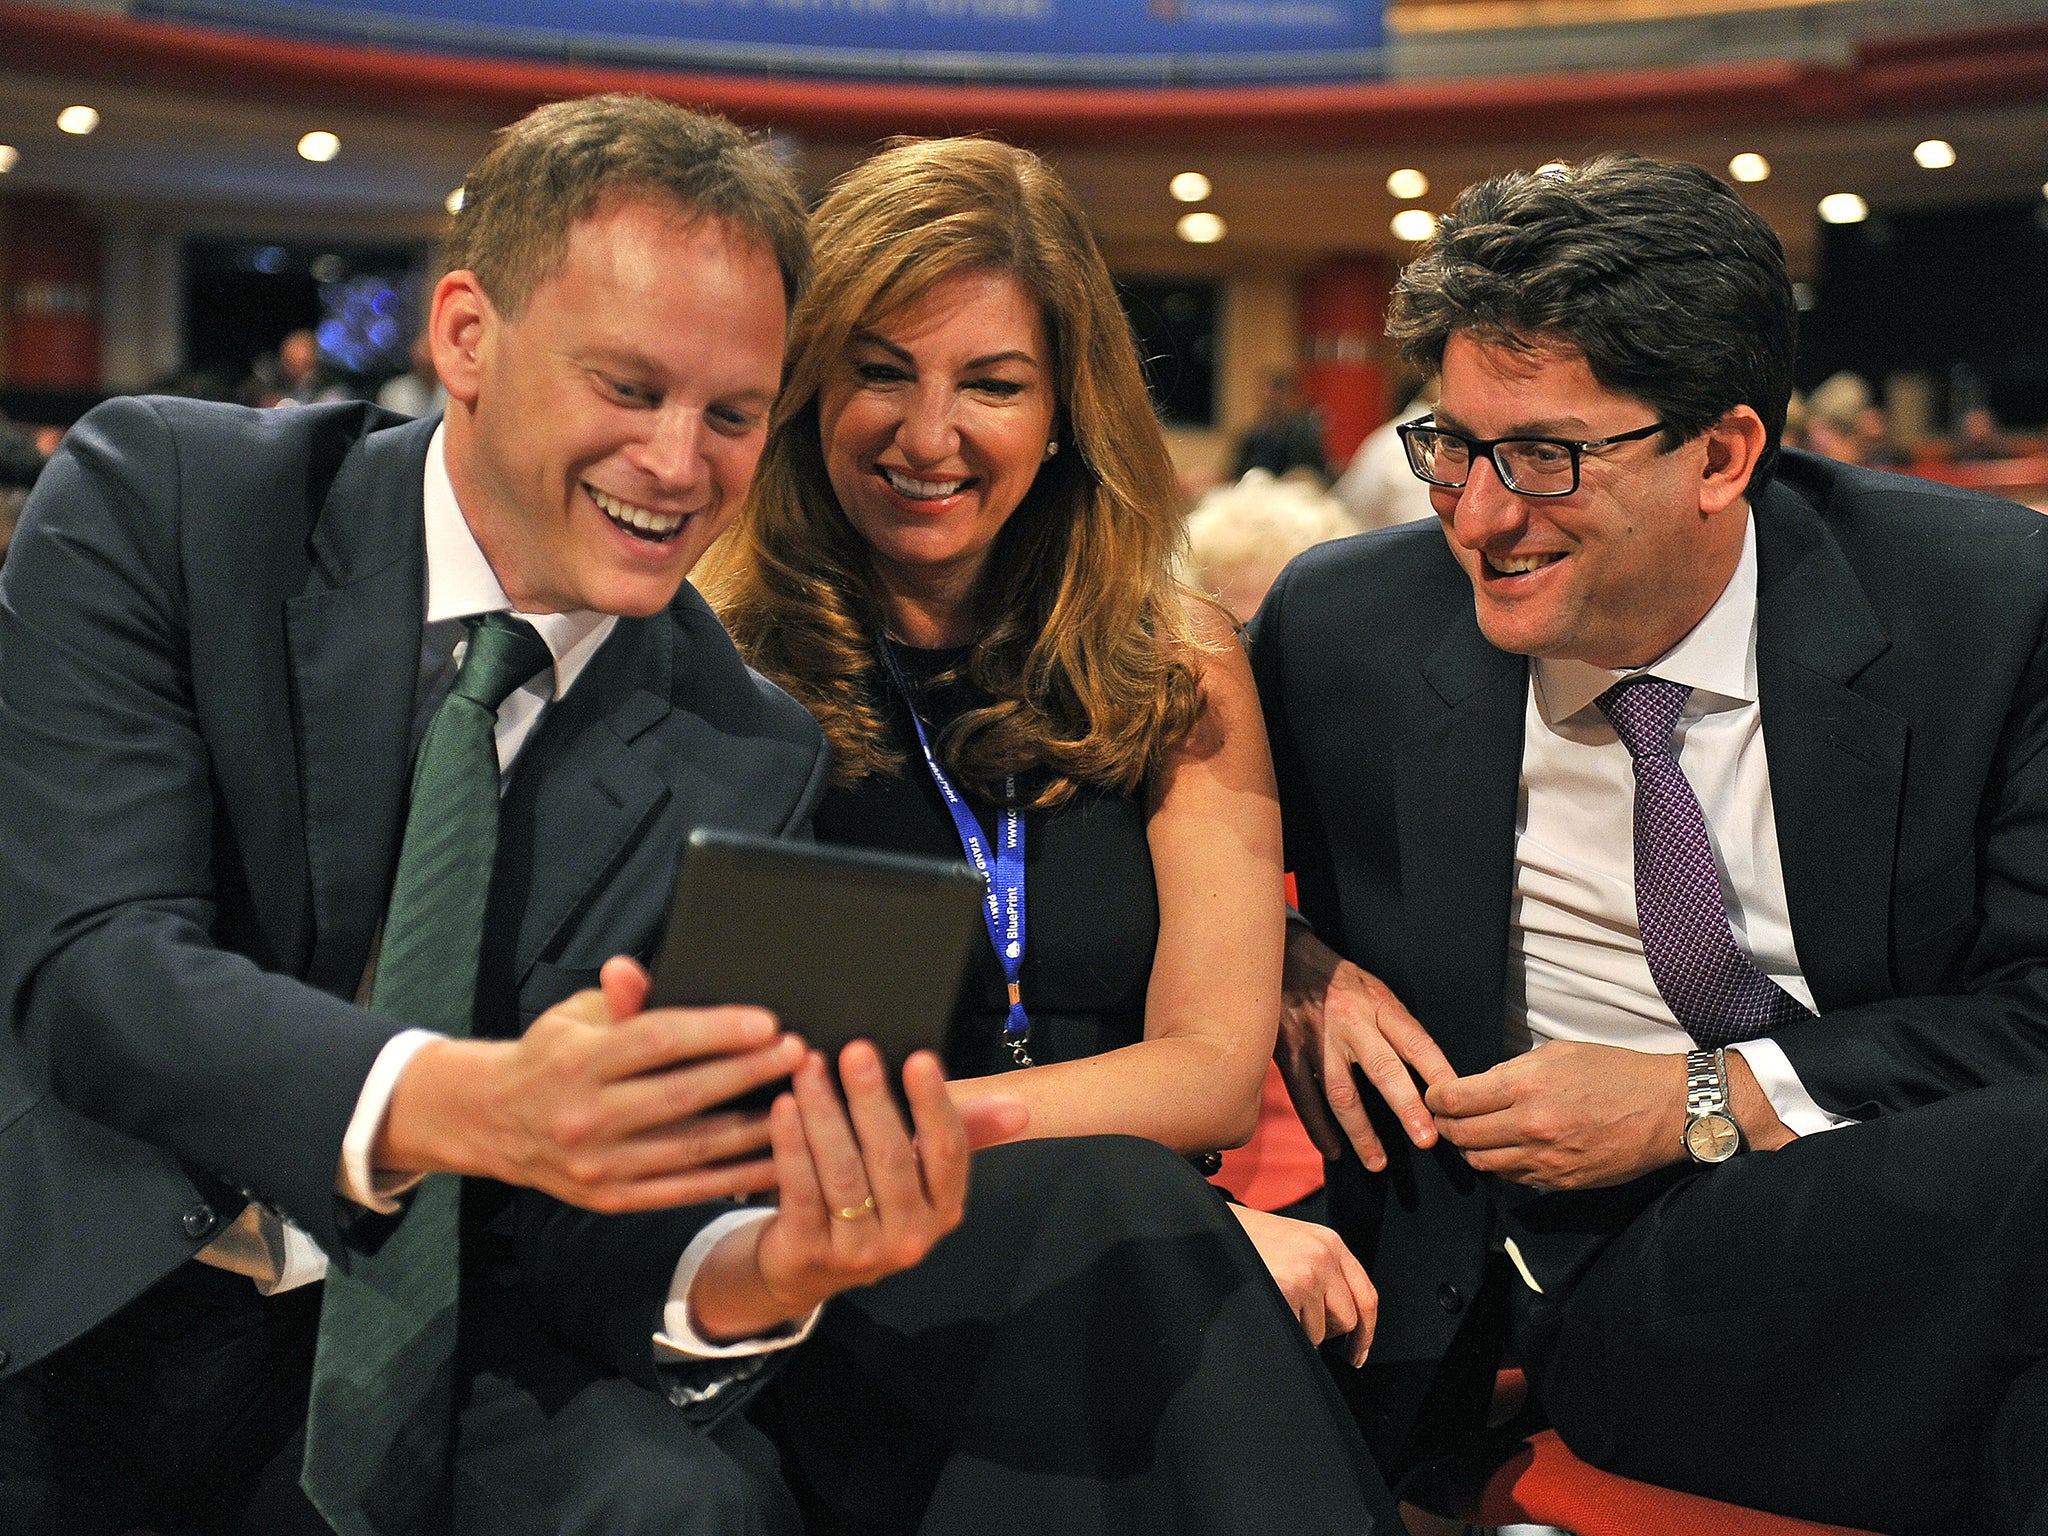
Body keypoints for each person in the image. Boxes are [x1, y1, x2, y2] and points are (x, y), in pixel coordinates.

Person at [0, 94, 1011, 1536]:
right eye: (629, 388)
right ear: (466, 336)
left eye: (733, 413)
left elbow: (596, 1228)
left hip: (429, 1333)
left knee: (688, 1503)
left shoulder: (750, 745)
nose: (679, 464)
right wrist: (477, 1102)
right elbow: (97, 976)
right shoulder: (167, 500)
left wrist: (766, 1268)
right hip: (71, 1295)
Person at [1251, 152, 2048, 1534]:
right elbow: (1098, 888)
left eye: (1547, 457)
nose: (1482, 515)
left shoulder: (1983, 611)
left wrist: (1703, 1095)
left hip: (1920, 1212)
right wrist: (1289, 959)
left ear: (1725, 455)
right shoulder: (1343, 634)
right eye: (1452, 444)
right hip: (1572, 1281)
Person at [700, 135, 1399, 1534]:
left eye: (994, 384)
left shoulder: (1176, 655)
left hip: (1127, 1250)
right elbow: (748, 1116)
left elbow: (1210, 1073)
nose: (929, 434)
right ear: (805, 385)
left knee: (1130, 1277)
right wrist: (1177, 1220)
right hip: (856, 1275)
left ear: (1070, 408)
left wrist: (946, 1139)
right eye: (881, 370)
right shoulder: (722, 670)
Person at [1230, 367, 1332, 484]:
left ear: (1290, 397)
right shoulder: (1253, 436)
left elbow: (1313, 477)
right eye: (1267, 400)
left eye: (1274, 400)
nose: (1270, 405)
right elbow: (1235, 474)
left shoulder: (1302, 437)